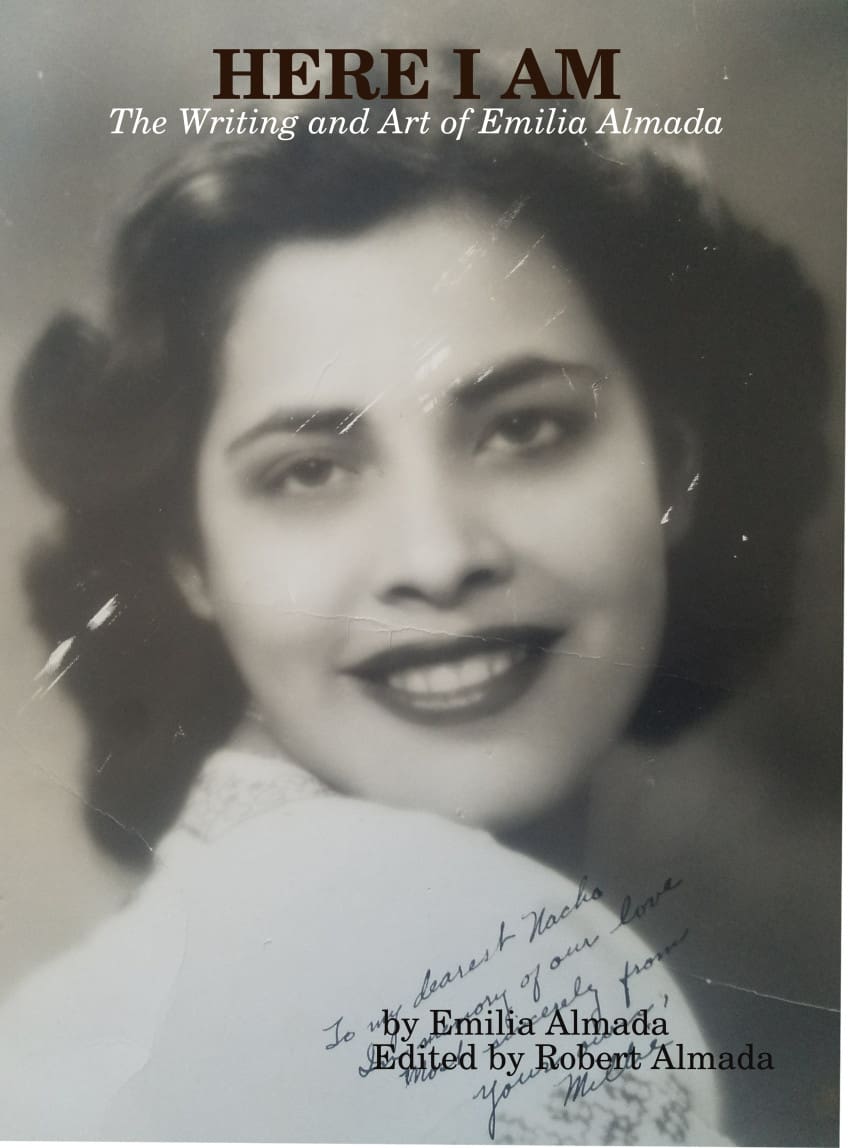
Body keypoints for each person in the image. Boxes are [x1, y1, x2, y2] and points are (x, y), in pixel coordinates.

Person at [1, 90, 829, 1143]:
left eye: (524, 428)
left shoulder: (113, 993)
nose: (438, 559)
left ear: (671, 466)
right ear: (192, 557)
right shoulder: (498, 972)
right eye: (308, 471)